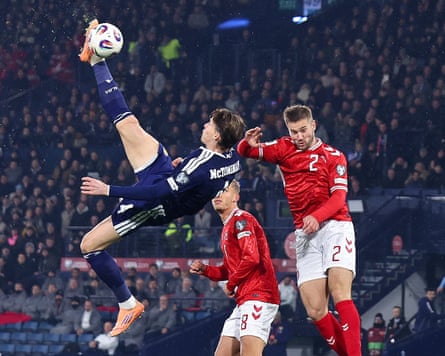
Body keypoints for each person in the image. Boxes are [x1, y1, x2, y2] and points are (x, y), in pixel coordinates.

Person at [78, 19, 246, 337]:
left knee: (88, 246)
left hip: (156, 204)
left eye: (210, 124)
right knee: (126, 122)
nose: (204, 125)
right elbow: (206, 172)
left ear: (218, 135)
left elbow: (157, 195)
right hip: (167, 172)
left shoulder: (208, 164)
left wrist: (108, 189)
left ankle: (128, 304)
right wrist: (185, 169)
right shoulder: (230, 156)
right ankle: (97, 59)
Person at [237, 104, 361, 356]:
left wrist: (316, 216)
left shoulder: (334, 156)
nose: (299, 137)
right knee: (315, 310)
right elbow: (246, 151)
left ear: (313, 126)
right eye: (294, 132)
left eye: (303, 130)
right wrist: (246, 143)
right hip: (306, 234)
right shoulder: (283, 148)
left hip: (335, 227)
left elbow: (338, 199)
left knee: (340, 293)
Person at [190, 179, 280, 356]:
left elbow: (251, 258)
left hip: (259, 296)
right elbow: (230, 269)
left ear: (236, 197)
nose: (218, 195)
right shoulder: (228, 226)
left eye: (223, 191)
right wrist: (206, 270)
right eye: (215, 192)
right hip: (244, 299)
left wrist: (231, 285)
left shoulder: (241, 219)